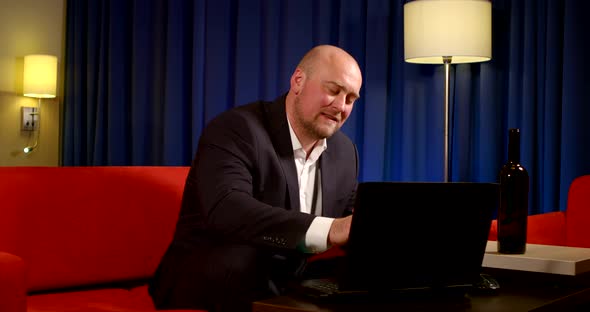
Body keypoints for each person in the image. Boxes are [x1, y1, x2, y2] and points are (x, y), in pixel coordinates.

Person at [148, 44, 363, 311]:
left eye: (351, 99)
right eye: (333, 90)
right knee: (250, 263)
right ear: (298, 81)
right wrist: (332, 229)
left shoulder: (344, 151)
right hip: (211, 274)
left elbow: (354, 218)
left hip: (286, 279)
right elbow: (227, 210)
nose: (340, 106)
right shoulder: (236, 129)